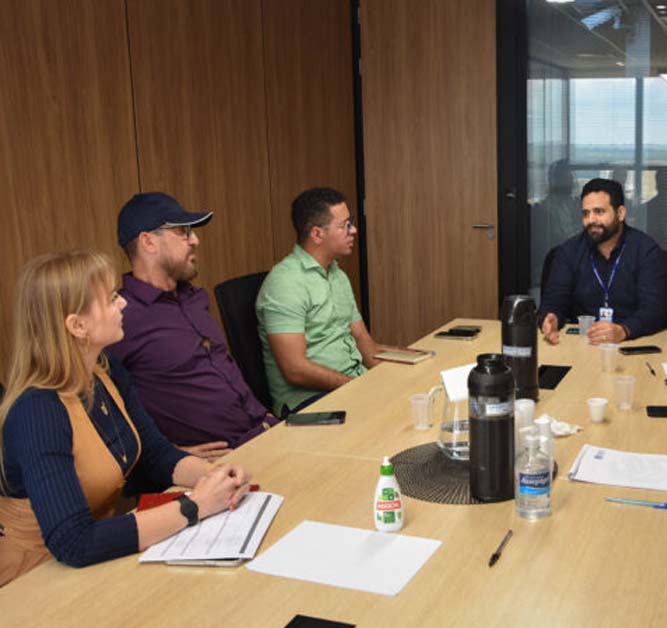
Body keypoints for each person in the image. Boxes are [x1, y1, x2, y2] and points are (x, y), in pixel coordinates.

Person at [0, 250, 253, 586]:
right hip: (34, 576)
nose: (123, 305)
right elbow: (73, 541)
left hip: (98, 556)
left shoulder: (106, 371)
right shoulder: (38, 411)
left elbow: (156, 455)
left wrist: (217, 477)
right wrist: (196, 506)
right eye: (110, 299)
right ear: (77, 326)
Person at [107, 192, 277, 459]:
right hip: (220, 464)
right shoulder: (121, 316)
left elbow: (221, 369)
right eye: (184, 232)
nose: (195, 240)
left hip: (266, 431)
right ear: (148, 242)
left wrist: (265, 416)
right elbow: (98, 411)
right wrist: (167, 455)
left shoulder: (194, 297)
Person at [256, 187, 396, 416]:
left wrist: (404, 372)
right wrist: (358, 387)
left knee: (414, 397)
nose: (354, 230)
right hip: (310, 402)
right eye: (344, 226)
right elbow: (295, 370)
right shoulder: (285, 283)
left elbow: (365, 344)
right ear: (317, 234)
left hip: (350, 384)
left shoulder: (336, 275)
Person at [539, 178, 667, 344]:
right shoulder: (568, 252)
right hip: (583, 342)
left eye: (599, 211)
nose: (591, 220)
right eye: (586, 213)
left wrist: (624, 330)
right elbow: (553, 301)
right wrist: (552, 318)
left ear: (620, 213)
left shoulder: (645, 250)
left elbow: (654, 309)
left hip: (632, 342)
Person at [530, 159, 582, 293]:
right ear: (553, 180)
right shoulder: (542, 210)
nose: (569, 181)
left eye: (569, 177)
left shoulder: (577, 205)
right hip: (555, 264)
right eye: (565, 177)